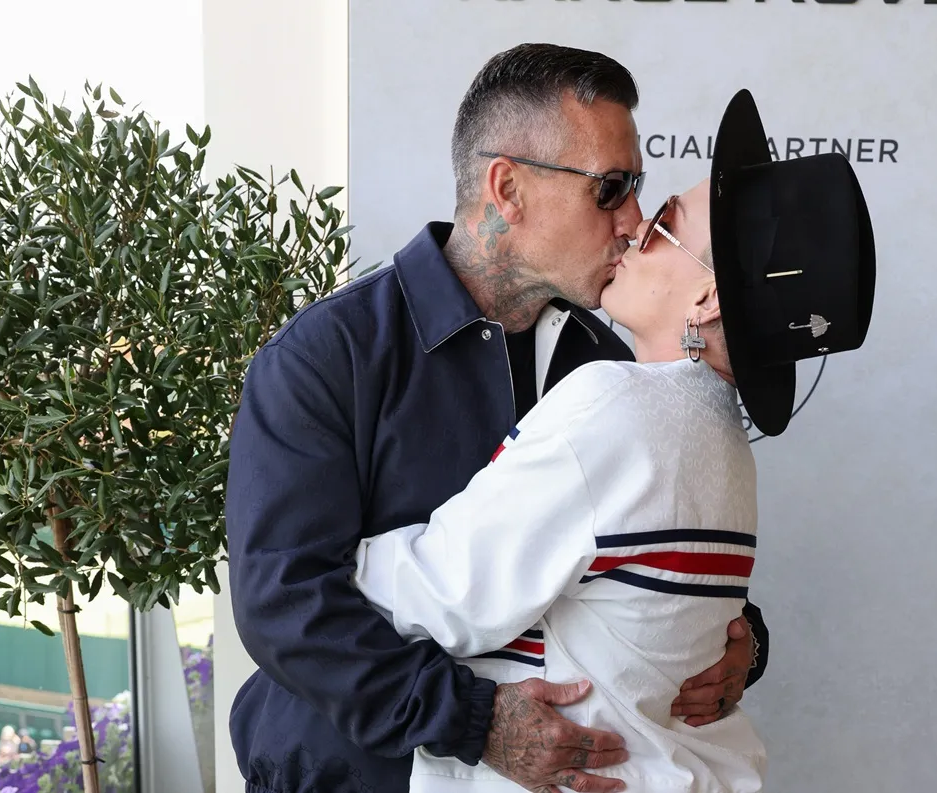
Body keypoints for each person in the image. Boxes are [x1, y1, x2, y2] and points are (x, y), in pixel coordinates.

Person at [226, 44, 770, 793]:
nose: (633, 219)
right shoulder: (327, 356)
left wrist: (738, 643)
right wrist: (474, 721)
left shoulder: (609, 368)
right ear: (507, 187)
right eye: (611, 188)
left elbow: (622, 572)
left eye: (637, 187)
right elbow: (284, 603)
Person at [350, 89, 876, 793]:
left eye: (663, 223)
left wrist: (326, 557)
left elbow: (441, 595)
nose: (632, 230)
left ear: (708, 298)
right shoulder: (726, 449)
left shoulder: (615, 408)